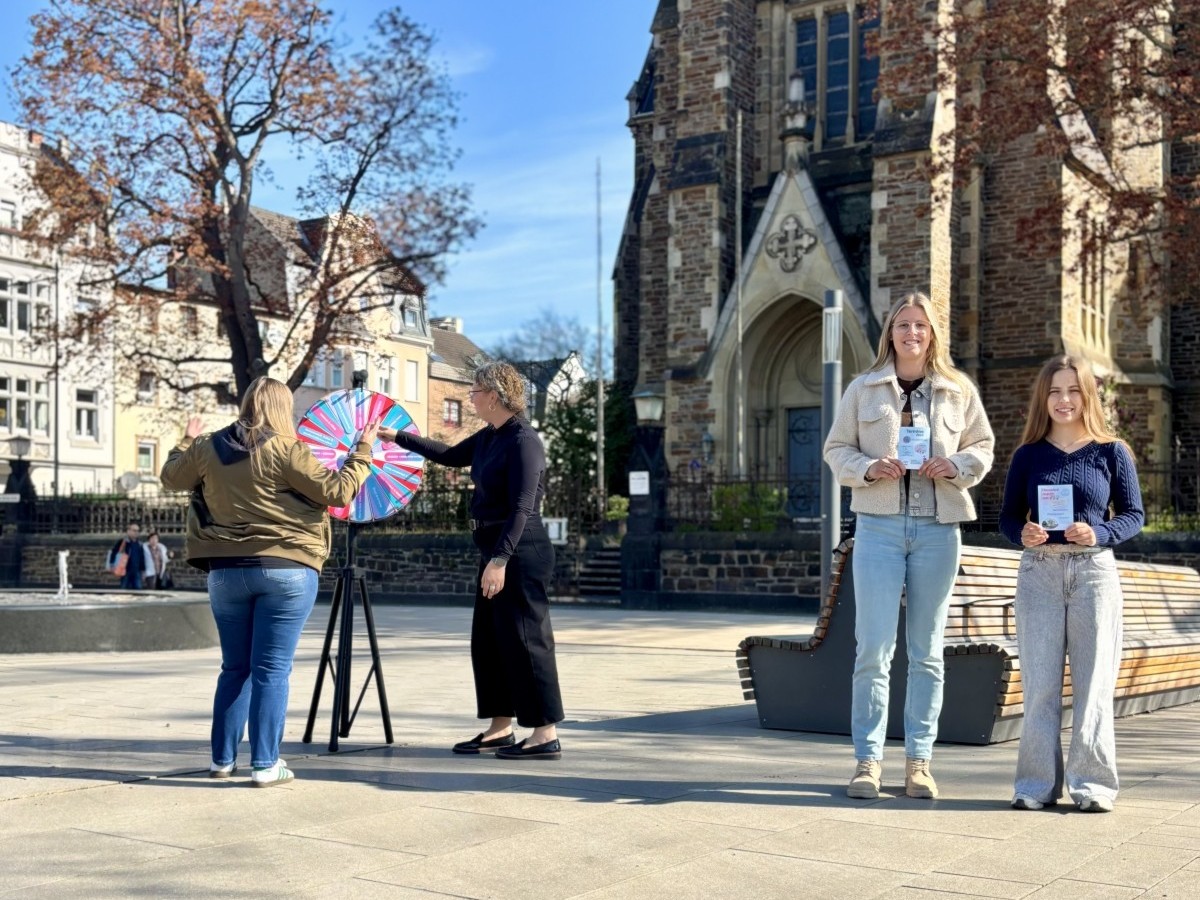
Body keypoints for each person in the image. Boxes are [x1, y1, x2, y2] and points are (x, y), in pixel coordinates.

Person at [160, 376, 378, 787]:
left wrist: (185, 440)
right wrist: (362, 449)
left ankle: (222, 761)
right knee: (271, 670)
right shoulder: (287, 449)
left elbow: (172, 477)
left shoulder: (207, 446)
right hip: (286, 570)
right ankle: (265, 764)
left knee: (234, 668)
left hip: (225, 572)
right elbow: (338, 491)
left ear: (245, 403)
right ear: (282, 408)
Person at [823, 291, 995, 800]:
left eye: (920, 325)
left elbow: (982, 446)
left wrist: (958, 467)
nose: (912, 333)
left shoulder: (958, 391)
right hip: (877, 526)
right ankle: (867, 762)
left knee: (927, 652)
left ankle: (919, 761)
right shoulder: (863, 389)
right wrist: (868, 468)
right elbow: (835, 449)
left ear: (932, 334)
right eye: (903, 325)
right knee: (873, 649)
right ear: (890, 333)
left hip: (938, 528)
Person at [379, 361, 565, 760]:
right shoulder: (490, 437)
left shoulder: (523, 441)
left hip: (519, 551)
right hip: (495, 551)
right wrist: (396, 436)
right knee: (489, 642)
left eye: (475, 392)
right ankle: (500, 728)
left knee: (526, 641)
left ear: (495, 396)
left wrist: (499, 560)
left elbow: (522, 508)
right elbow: (447, 455)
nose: (470, 398)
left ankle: (544, 732)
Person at [1000, 355, 1144, 813]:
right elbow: (1006, 517)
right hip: (1039, 574)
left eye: (1073, 390)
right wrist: (1020, 533)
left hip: (1093, 576)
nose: (1064, 400)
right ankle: (1035, 785)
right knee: (1040, 686)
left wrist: (1099, 532)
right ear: (1044, 398)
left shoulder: (1111, 451)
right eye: (1055, 391)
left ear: (1087, 395)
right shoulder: (1028, 455)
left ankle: (1093, 786)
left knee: (1094, 684)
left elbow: (1134, 515)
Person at [106, 521, 154, 589]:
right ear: (128, 531)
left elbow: (142, 558)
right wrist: (112, 564)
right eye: (134, 530)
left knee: (138, 589)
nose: (136, 532)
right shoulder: (123, 542)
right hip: (125, 570)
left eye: (137, 531)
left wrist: (143, 570)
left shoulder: (140, 544)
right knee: (124, 589)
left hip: (137, 571)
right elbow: (114, 552)